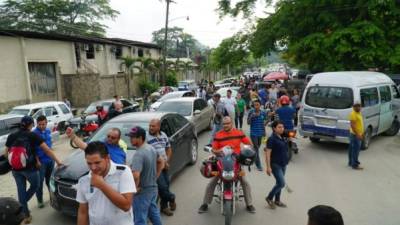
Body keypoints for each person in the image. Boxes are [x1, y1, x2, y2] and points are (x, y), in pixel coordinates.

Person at [4, 116, 62, 224]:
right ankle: (20, 205)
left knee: (21, 190)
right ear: (31, 125)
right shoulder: (32, 135)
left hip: (16, 170)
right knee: (36, 185)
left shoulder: (11, 135)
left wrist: (13, 163)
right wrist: (58, 161)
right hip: (30, 169)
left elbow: (5, 152)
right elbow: (47, 150)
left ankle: (25, 215)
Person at [199, 116, 256, 213]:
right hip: (221, 162)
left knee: (244, 181)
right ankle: (205, 203)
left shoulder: (239, 133)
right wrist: (219, 151)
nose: (225, 125)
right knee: (212, 182)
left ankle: (249, 204)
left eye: (227, 123)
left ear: (232, 123)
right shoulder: (218, 135)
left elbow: (249, 144)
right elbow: (214, 149)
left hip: (237, 162)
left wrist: (247, 150)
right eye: (224, 124)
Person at [76, 141, 135, 225]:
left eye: (97, 162)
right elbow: (83, 212)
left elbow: (126, 206)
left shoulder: (123, 172)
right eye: (89, 163)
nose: (93, 167)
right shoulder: (84, 180)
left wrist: (102, 185)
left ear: (107, 158)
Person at [128, 126, 165, 225]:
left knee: (139, 219)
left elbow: (136, 175)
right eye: (130, 136)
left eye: (133, 137)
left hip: (142, 191)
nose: (130, 139)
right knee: (153, 213)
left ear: (140, 138)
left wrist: (135, 189)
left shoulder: (138, 154)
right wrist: (155, 177)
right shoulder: (151, 148)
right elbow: (161, 162)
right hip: (153, 188)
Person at [147, 119, 176, 216]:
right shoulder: (146, 137)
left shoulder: (163, 135)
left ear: (158, 127)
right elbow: (147, 154)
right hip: (155, 167)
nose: (151, 128)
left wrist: (166, 161)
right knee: (162, 187)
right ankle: (172, 198)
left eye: (153, 126)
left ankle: (164, 207)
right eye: (150, 126)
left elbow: (168, 148)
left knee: (166, 185)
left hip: (164, 165)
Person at [265, 121, 289, 209]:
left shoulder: (282, 136)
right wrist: (268, 167)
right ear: (274, 128)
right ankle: (269, 198)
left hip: (283, 164)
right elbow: (268, 153)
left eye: (282, 127)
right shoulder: (272, 139)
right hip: (275, 164)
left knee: (278, 182)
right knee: (281, 183)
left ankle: (277, 200)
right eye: (279, 127)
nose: (282, 128)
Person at [33, 115, 54, 208]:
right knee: (39, 182)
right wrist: (37, 161)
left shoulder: (48, 131)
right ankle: (40, 200)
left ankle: (52, 197)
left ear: (46, 123)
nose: (42, 126)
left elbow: (50, 145)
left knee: (50, 181)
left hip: (50, 160)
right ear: (36, 124)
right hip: (41, 162)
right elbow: (33, 150)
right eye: (40, 124)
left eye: (43, 124)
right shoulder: (34, 134)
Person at [247, 100, 268, 171]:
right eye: (255, 105)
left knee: (257, 148)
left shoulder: (263, 112)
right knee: (256, 148)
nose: (256, 106)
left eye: (257, 105)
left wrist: (264, 131)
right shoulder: (251, 112)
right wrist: (252, 116)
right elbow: (248, 122)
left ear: (260, 105)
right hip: (253, 133)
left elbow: (266, 120)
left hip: (261, 133)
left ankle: (252, 155)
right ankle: (258, 165)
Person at [348, 102, 364, 170]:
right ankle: (355, 165)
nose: (358, 107)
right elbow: (353, 125)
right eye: (356, 106)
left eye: (359, 106)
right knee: (355, 150)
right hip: (355, 135)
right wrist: (358, 134)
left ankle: (351, 162)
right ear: (353, 107)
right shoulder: (353, 114)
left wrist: (362, 132)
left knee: (352, 149)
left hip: (357, 134)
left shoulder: (358, 113)